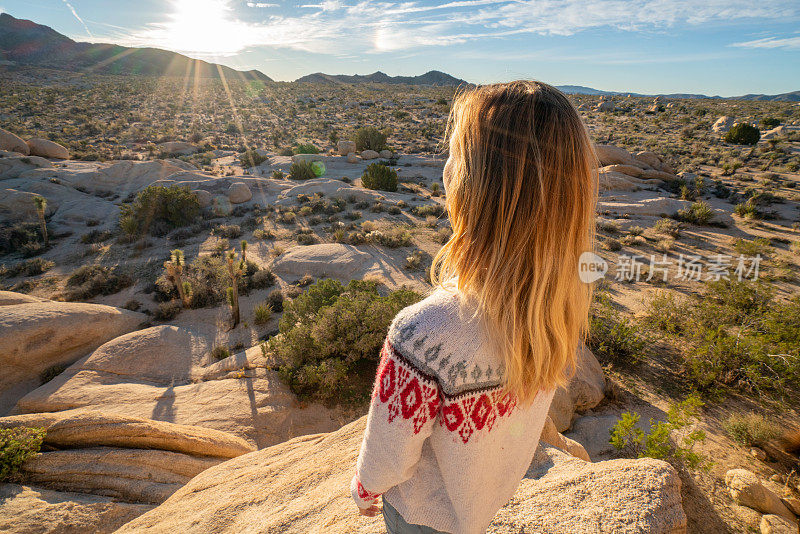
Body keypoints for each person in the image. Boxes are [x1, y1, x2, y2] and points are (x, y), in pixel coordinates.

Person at [350, 80, 598, 534]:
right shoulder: (554, 307)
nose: (445, 166)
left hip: (422, 519)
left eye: (456, 156)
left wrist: (364, 490)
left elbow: (388, 456)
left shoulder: (424, 333)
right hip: (481, 506)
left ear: (474, 187)